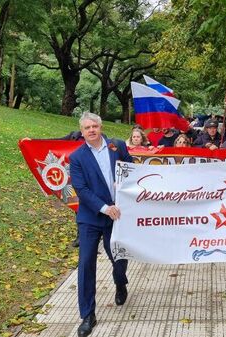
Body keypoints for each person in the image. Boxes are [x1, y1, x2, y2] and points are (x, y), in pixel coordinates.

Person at [69, 112, 132, 337]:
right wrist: (105, 207)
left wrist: (123, 184)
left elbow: (132, 172)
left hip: (117, 215)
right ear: (82, 131)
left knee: (118, 256)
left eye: (95, 126)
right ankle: (88, 315)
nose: (92, 130)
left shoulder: (118, 146)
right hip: (90, 218)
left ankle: (120, 281)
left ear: (101, 126)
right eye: (87, 128)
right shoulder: (76, 157)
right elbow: (81, 190)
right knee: (86, 264)